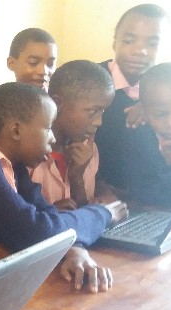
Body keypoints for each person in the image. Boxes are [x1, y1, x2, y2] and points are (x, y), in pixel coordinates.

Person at [0, 82, 128, 293]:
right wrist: (101, 214)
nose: (52, 138)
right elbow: (38, 230)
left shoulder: (12, 164)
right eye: (48, 128)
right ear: (15, 130)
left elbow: (47, 216)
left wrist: (73, 248)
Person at [95, 4, 168, 190]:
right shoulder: (91, 81)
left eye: (152, 44)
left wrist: (152, 107)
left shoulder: (168, 90)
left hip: (149, 199)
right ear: (114, 42)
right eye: (129, 41)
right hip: (97, 194)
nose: (140, 51)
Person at [30, 60, 116, 209]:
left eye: (103, 111)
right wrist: (50, 212)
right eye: (92, 111)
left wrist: (77, 178)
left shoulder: (89, 150)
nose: (99, 122)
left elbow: (85, 216)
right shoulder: (28, 153)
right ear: (57, 104)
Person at [113, 62, 171, 208]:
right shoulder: (138, 139)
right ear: (143, 112)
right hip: (157, 217)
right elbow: (143, 193)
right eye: (161, 114)